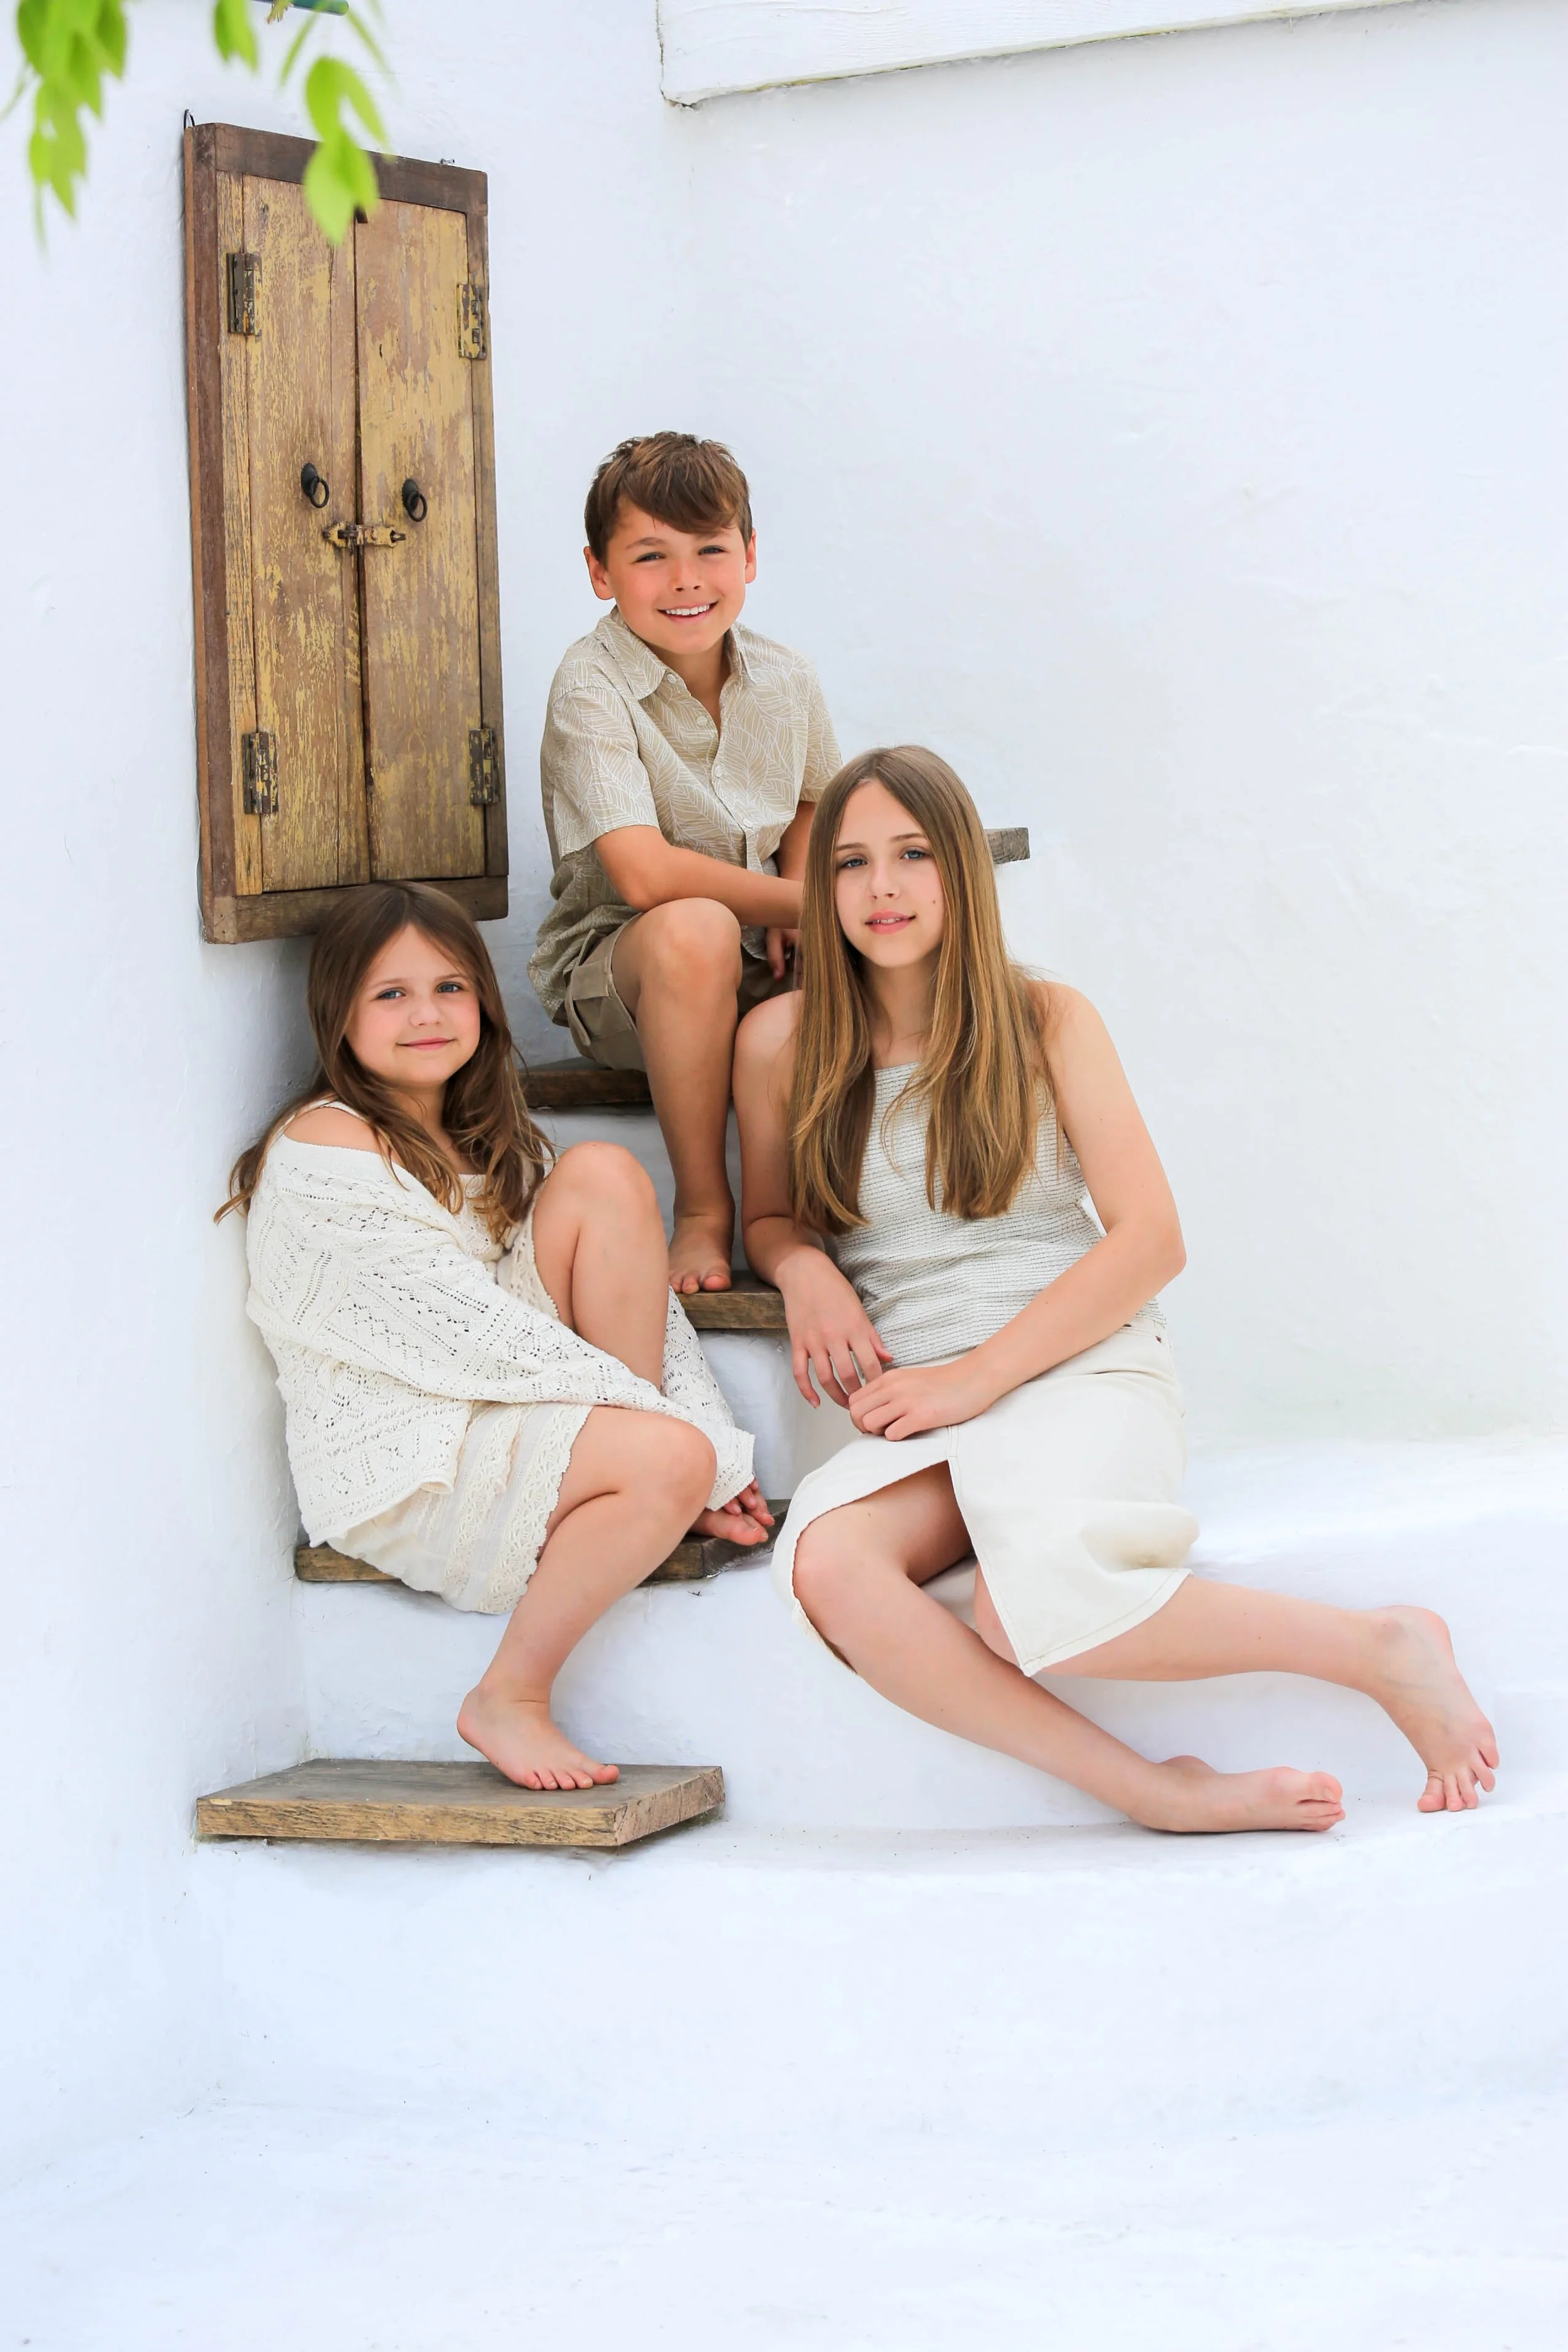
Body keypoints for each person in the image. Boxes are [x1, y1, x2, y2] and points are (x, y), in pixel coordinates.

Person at [733, 747, 1499, 1831]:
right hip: (926, 1401)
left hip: (1078, 1364)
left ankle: (1382, 1646)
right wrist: (803, 1266)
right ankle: (1154, 1790)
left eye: (913, 854)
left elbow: (1151, 1239)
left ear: (961, 870)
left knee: (1024, 1604)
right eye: (852, 863)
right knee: (830, 1563)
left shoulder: (1047, 1018)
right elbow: (769, 1215)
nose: (882, 887)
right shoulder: (780, 1040)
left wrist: (978, 1376)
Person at [223, 882, 771, 1793]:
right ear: (339, 1016)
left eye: (450, 987)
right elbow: (474, 1341)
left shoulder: (489, 1138)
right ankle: (508, 1695)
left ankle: (647, 1471)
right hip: (405, 1458)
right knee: (673, 1457)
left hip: (494, 1411)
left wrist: (697, 1436)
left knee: (605, 1174)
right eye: (391, 994)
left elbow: (650, 1309)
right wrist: (694, 1453)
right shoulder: (328, 1147)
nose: (427, 1014)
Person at [529, 432, 840, 1296]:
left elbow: (813, 799)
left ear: (750, 556)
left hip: (756, 961)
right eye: (650, 556)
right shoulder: (590, 683)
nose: (686, 580)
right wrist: (801, 904)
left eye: (710, 549)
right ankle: (703, 1205)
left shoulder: (787, 678)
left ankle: (808, 1213)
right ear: (601, 573)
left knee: (888, 935)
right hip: (628, 972)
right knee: (696, 927)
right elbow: (643, 875)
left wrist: (796, 901)